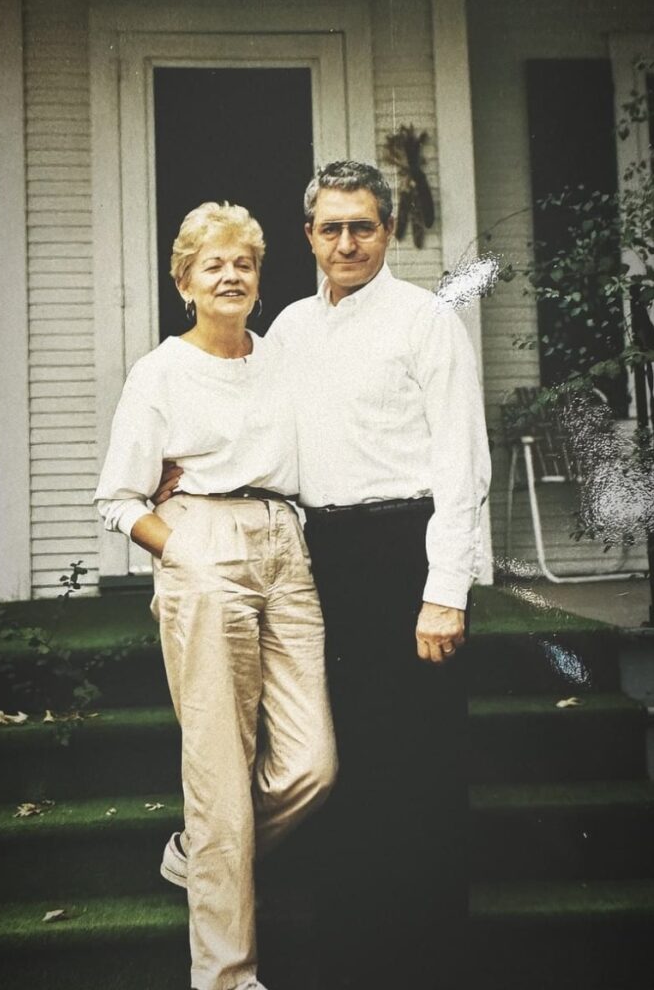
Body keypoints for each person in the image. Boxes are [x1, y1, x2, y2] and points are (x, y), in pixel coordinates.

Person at [157, 162, 491, 988]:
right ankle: (350, 956)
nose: (348, 241)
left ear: (387, 231)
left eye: (364, 226)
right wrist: (178, 474)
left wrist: (445, 591)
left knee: (417, 762)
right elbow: (243, 418)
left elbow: (463, 464)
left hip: (408, 553)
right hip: (318, 561)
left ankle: (427, 960)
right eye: (332, 227)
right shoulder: (292, 331)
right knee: (338, 759)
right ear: (307, 236)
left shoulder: (426, 322)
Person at [94, 202, 337, 990]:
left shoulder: (285, 361)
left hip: (285, 546)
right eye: (213, 266)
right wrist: (185, 549)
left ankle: (199, 853)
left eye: (244, 264)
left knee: (310, 763)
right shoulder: (160, 371)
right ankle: (226, 978)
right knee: (219, 771)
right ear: (184, 282)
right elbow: (120, 499)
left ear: (260, 281)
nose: (230, 276)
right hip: (203, 544)